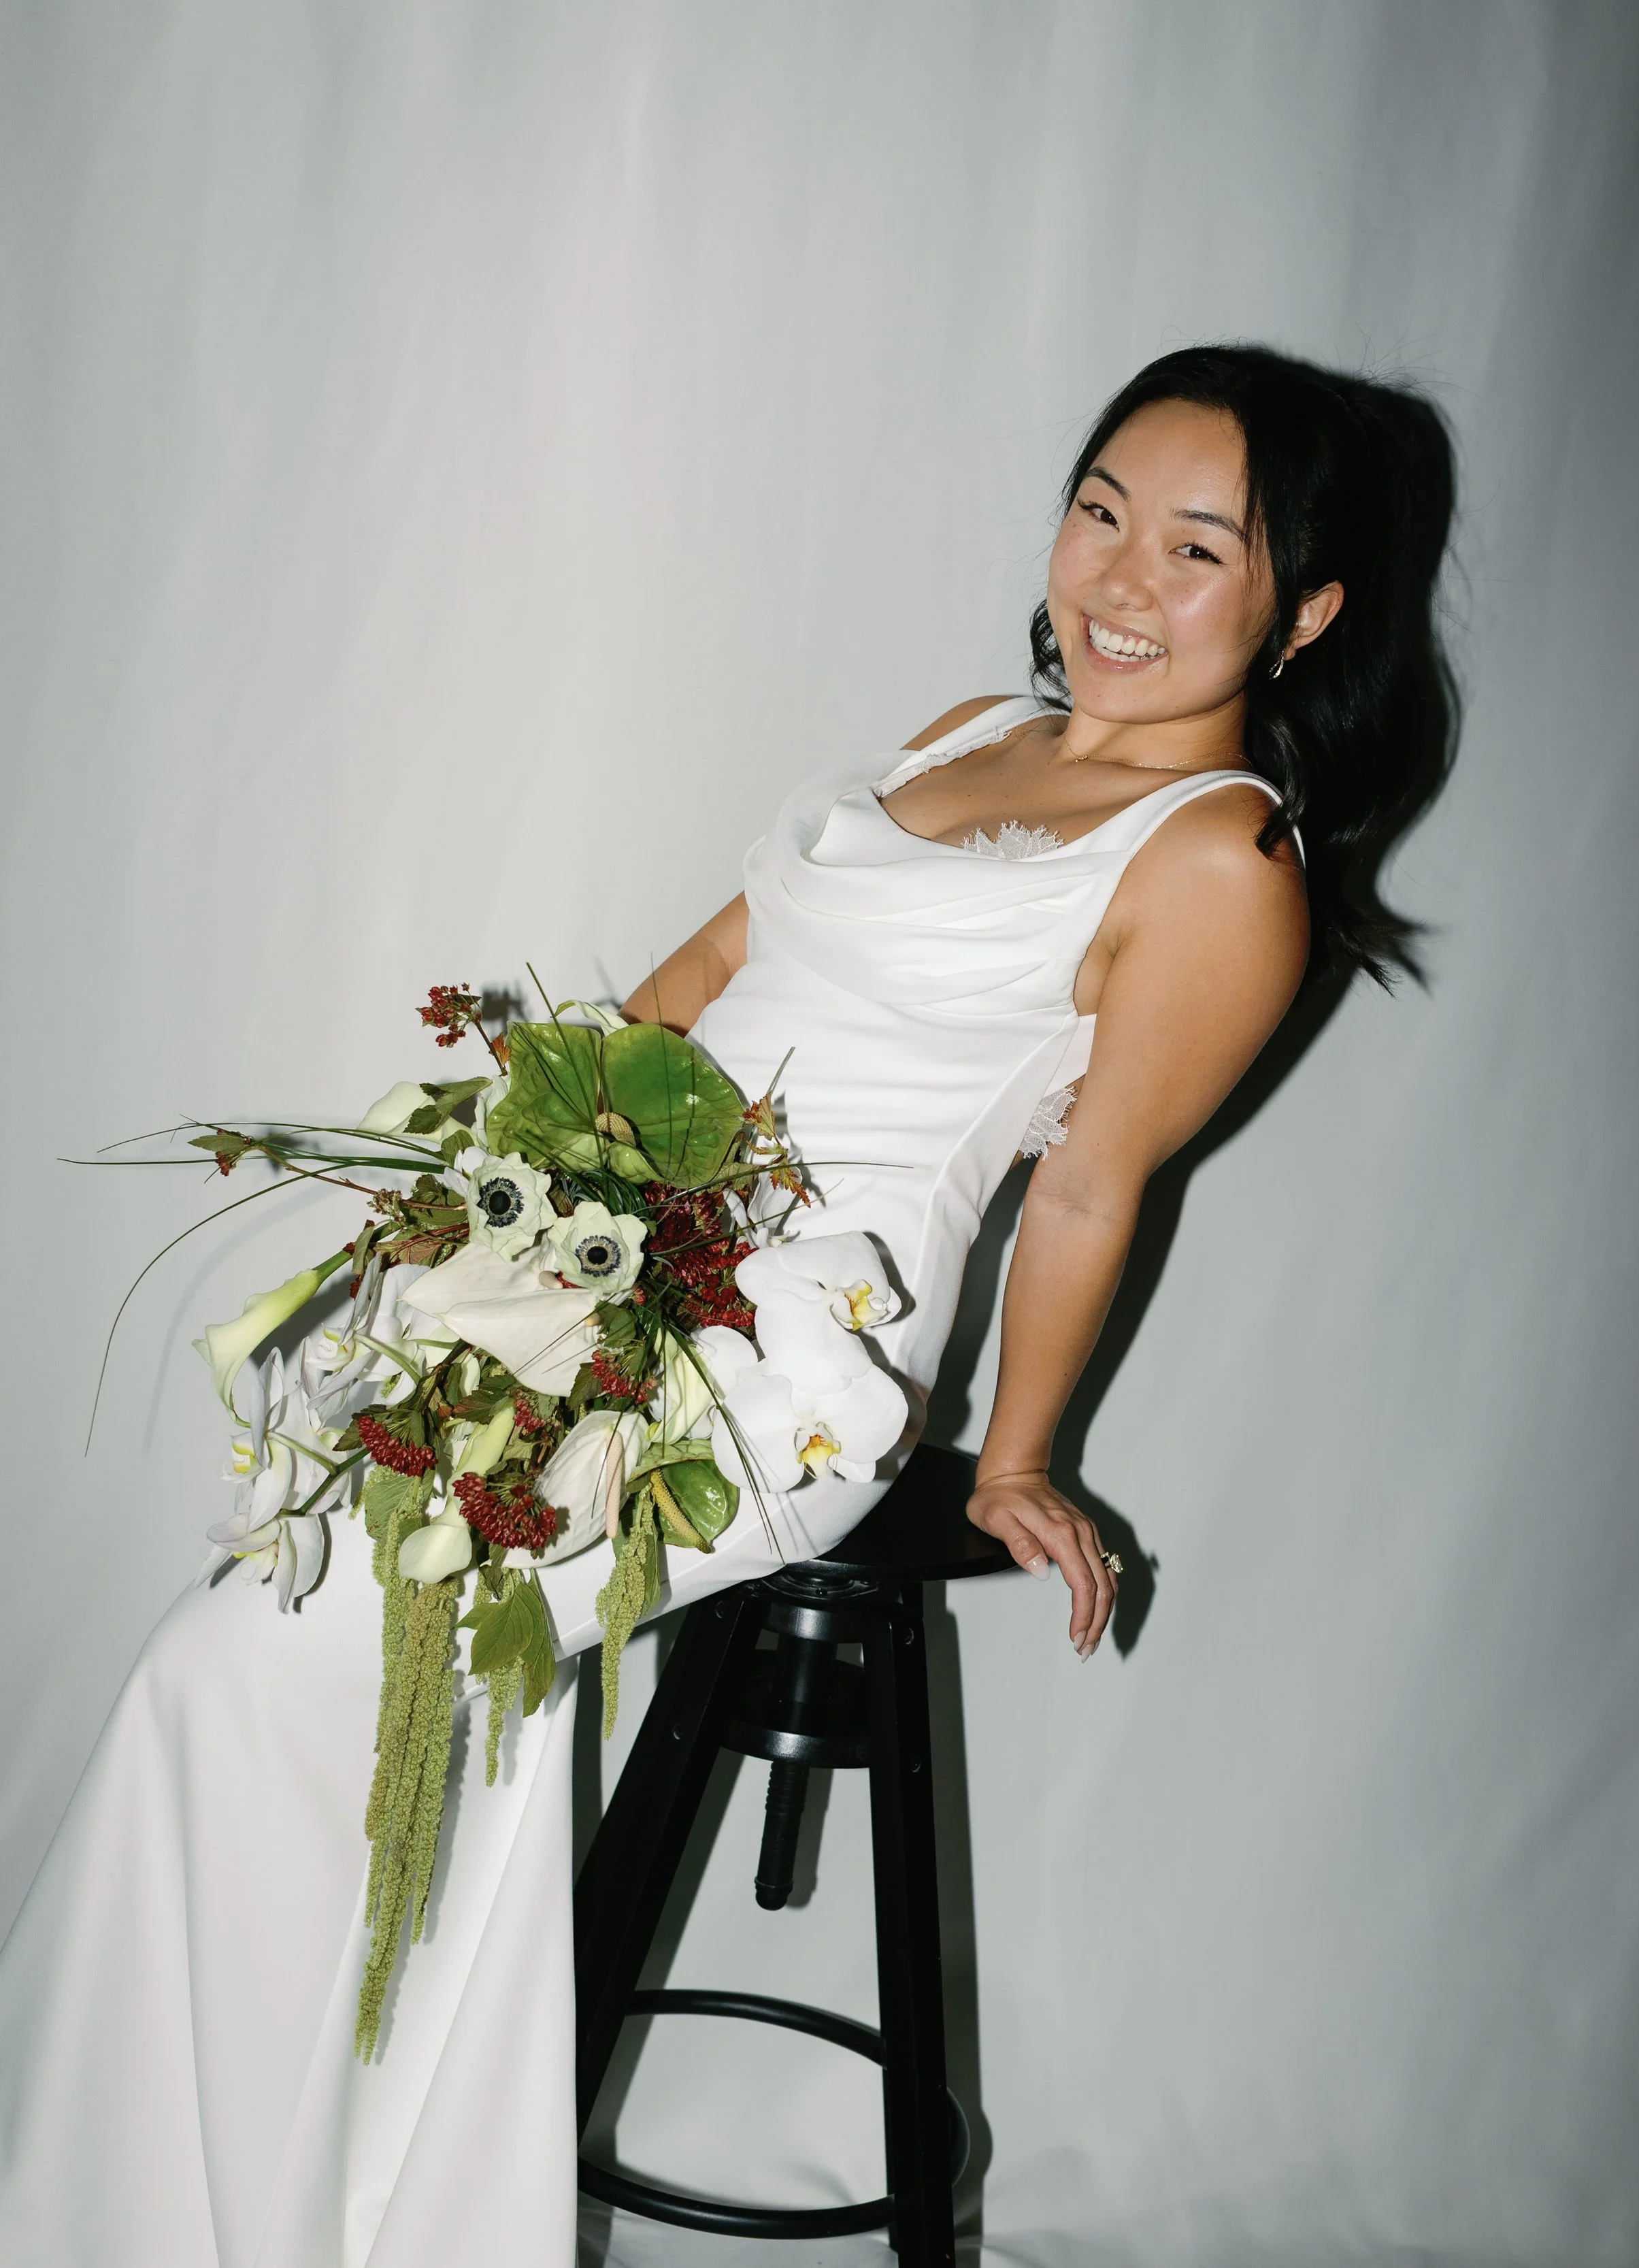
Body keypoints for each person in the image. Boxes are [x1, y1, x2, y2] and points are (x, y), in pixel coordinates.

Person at [0, 344, 1457, 2265]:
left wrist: (1015, 1455)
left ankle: (280, 2203)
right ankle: (160, 2192)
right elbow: (708, 955)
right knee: (248, 1635)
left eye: (1198, 545)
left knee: (297, 1665)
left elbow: (1098, 1180)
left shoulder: (1219, 861)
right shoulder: (960, 729)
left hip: (785, 1358)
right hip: (601, 1243)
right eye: (1098, 506)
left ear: (1308, 607)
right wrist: (496, 1175)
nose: (1118, 575)